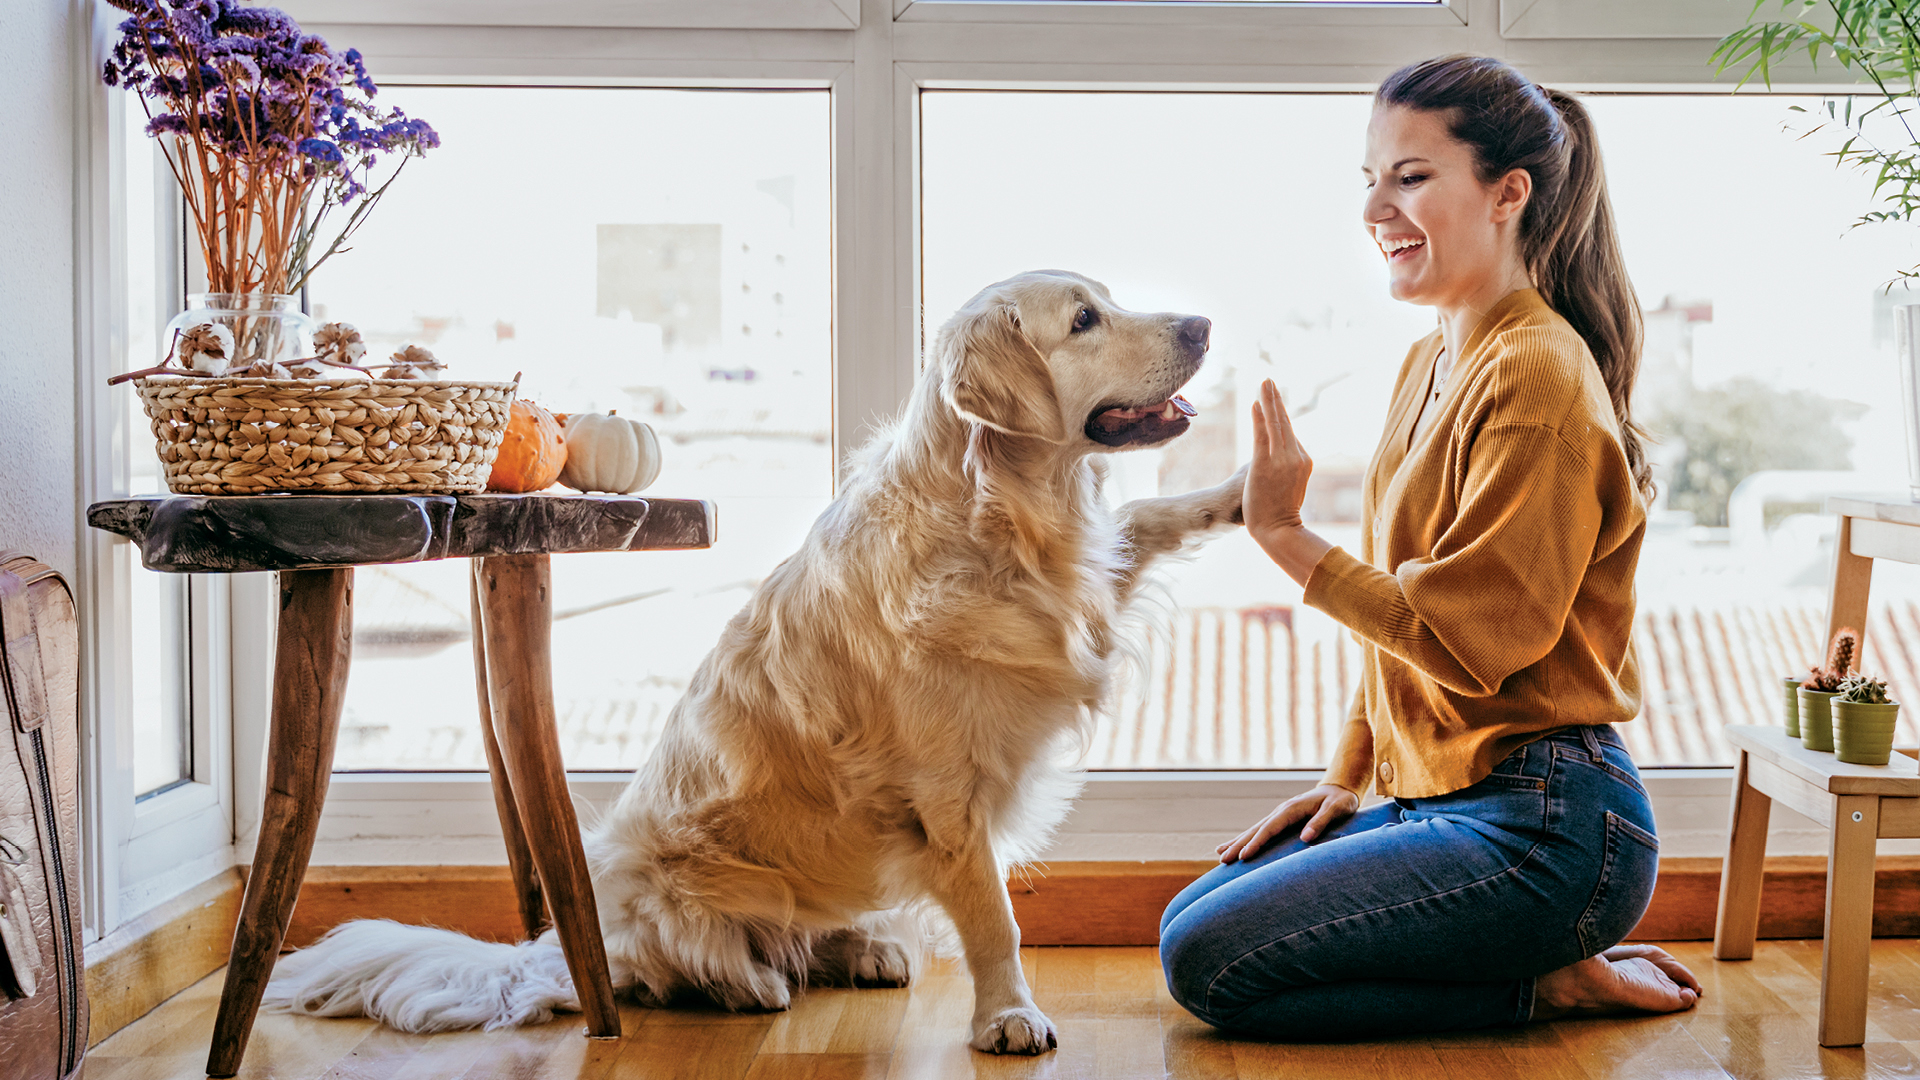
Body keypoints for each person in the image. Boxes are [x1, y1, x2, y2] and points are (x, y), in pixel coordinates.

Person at [1157, 54, 1704, 1040]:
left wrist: (1282, 533)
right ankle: (1539, 967)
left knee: (1210, 966)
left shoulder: (1537, 374)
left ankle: (1549, 982)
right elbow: (1404, 614)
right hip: (1441, 796)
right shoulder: (1433, 357)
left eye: (1410, 177)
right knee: (1187, 922)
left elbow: (1465, 642)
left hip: (1553, 824)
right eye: (1369, 180)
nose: (1377, 208)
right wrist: (1348, 773)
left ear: (1508, 194)